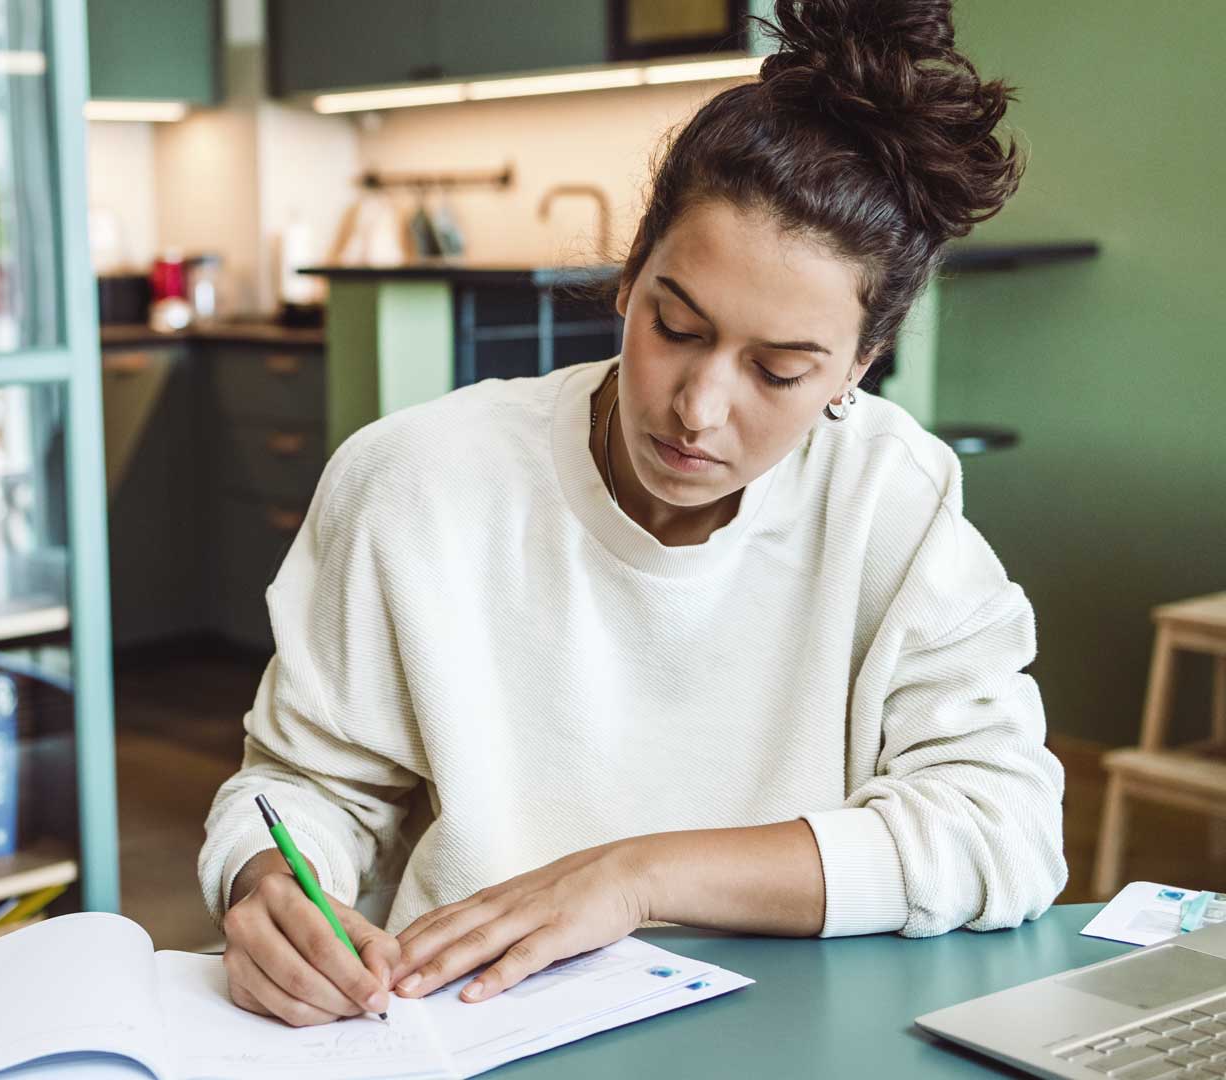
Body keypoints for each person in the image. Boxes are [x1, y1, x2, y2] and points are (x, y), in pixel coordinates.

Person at [198, 0, 1068, 1028]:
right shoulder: (417, 479)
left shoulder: (889, 499)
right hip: (466, 1030)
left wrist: (637, 878)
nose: (700, 408)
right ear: (630, 272)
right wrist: (265, 881)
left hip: (785, 1034)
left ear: (859, 365)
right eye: (677, 324)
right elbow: (302, 788)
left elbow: (1003, 827)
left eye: (780, 371)